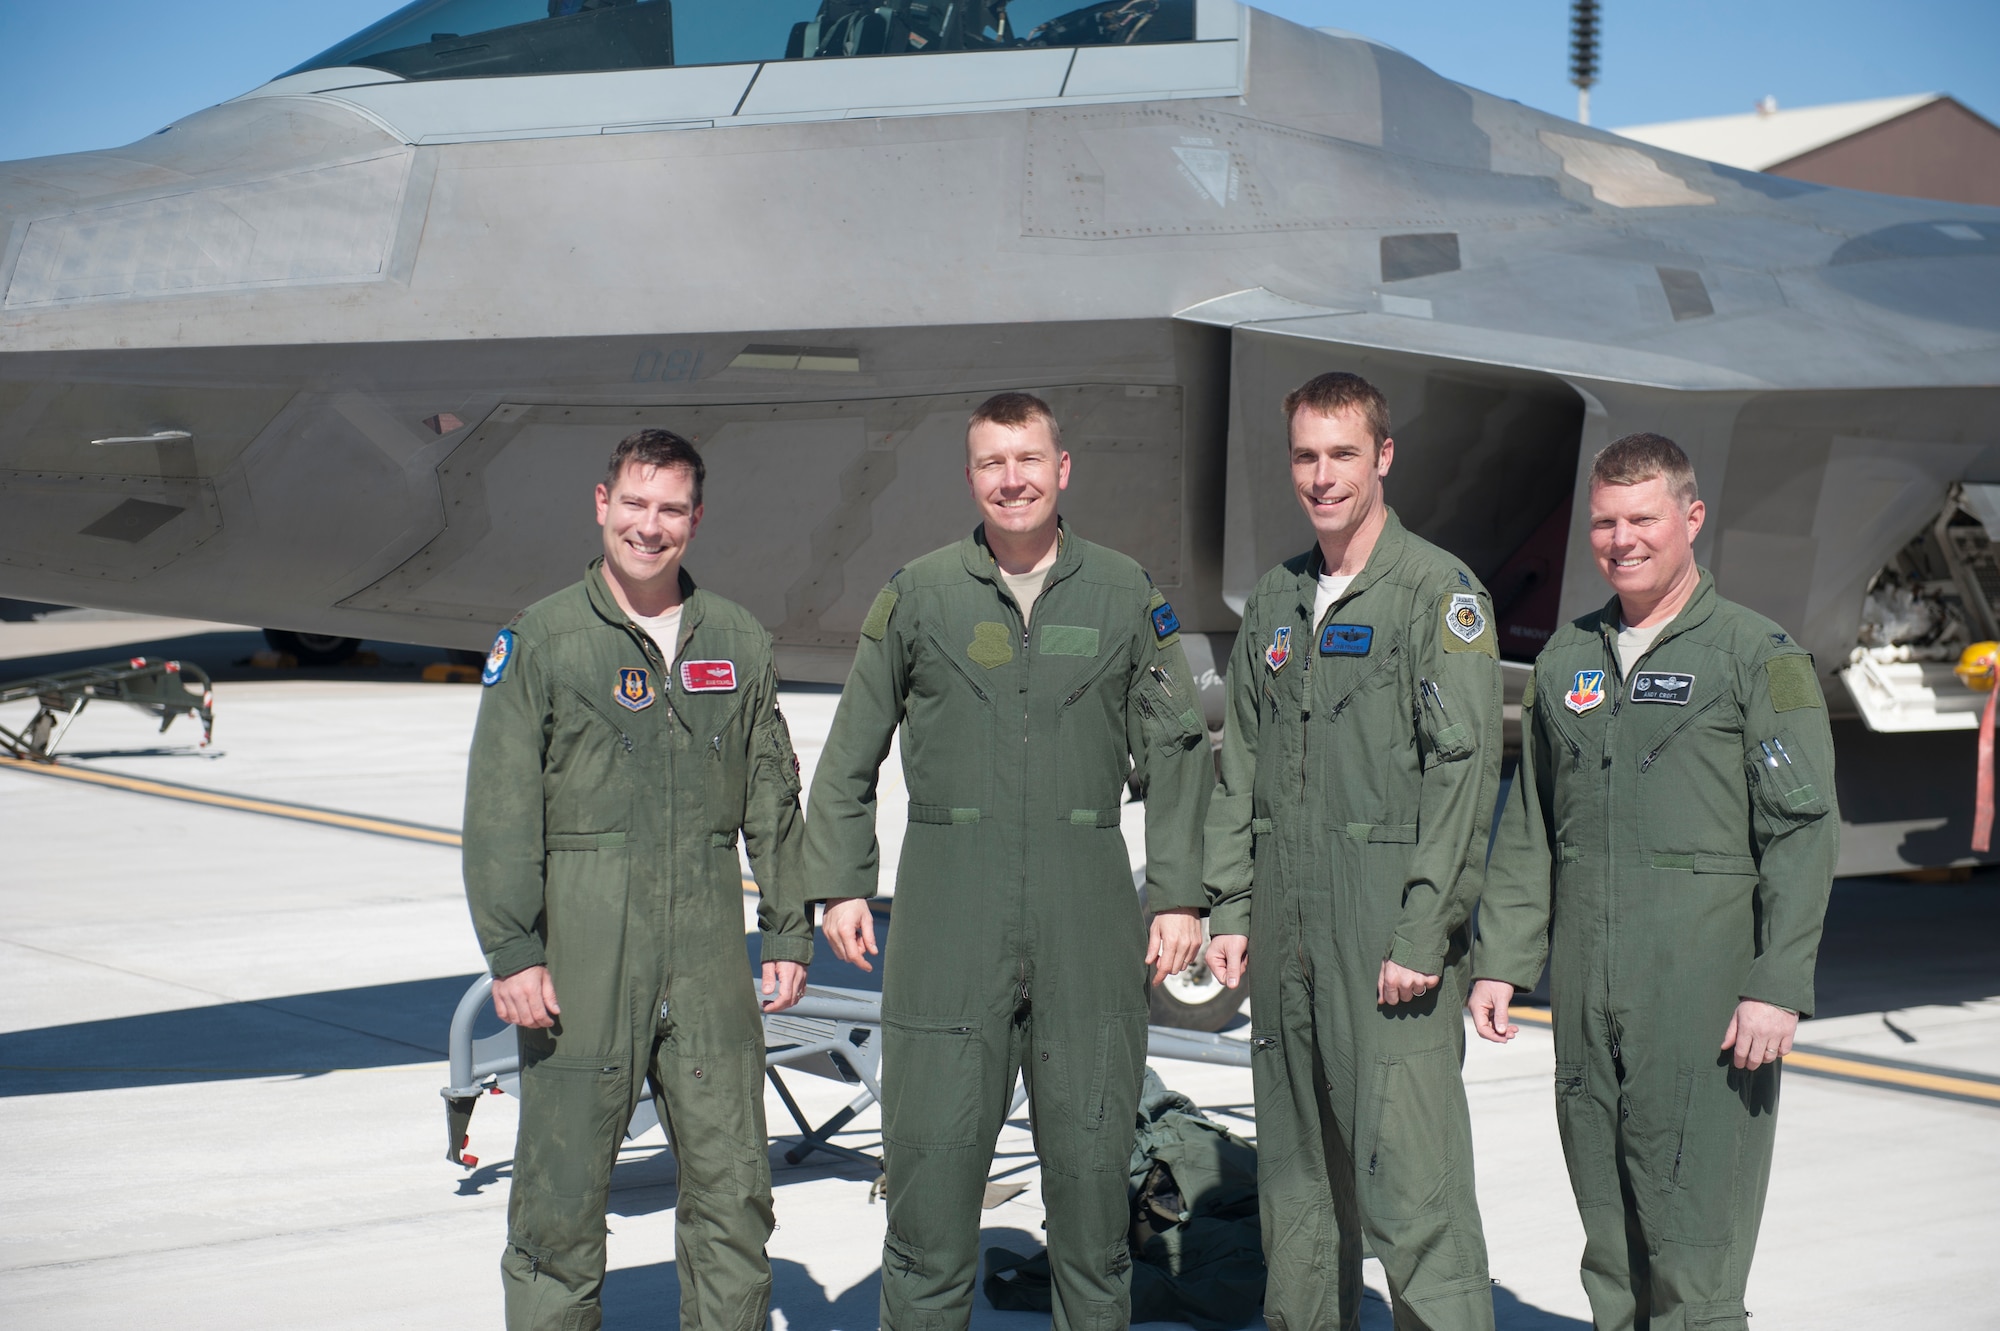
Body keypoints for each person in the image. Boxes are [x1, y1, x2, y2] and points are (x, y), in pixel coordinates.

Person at [804, 391, 1213, 1331]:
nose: (1013, 478)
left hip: (1087, 911)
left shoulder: (1123, 593)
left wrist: (1182, 895)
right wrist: (841, 881)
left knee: (1092, 1201)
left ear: (1062, 470)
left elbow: (1179, 752)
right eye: (993, 462)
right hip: (949, 913)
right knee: (931, 1194)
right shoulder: (918, 594)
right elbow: (850, 751)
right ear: (970, 478)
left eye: (1029, 459)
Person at [1469, 433, 1838, 1331]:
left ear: (1691, 518)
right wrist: (1502, 958)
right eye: (1604, 520)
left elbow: (1801, 828)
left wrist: (1775, 983)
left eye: (1643, 517)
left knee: (1695, 1253)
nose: (1621, 538)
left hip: (1703, 993)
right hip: (1590, 991)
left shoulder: (1758, 655)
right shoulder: (1567, 660)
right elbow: (1533, 826)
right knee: (1611, 1244)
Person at [462, 428, 812, 1331]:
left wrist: (786, 928)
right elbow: (502, 808)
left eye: (669, 509)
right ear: (601, 504)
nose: (648, 527)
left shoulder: (736, 638)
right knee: (560, 1206)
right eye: (634, 504)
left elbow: (772, 792)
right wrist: (513, 950)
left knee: (734, 1192)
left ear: (695, 519)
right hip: (582, 955)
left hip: (705, 955)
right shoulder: (543, 638)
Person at [1202, 371, 1502, 1331]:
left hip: (1386, 937)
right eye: (1305, 456)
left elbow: (1462, 771)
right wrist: (1231, 907)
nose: (1322, 476)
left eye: (1341, 454)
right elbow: (1238, 763)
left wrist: (1423, 931)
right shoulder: (1281, 600)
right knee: (1296, 1196)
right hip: (1286, 937)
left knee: (1415, 1196)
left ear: (1382, 457)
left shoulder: (1437, 594)